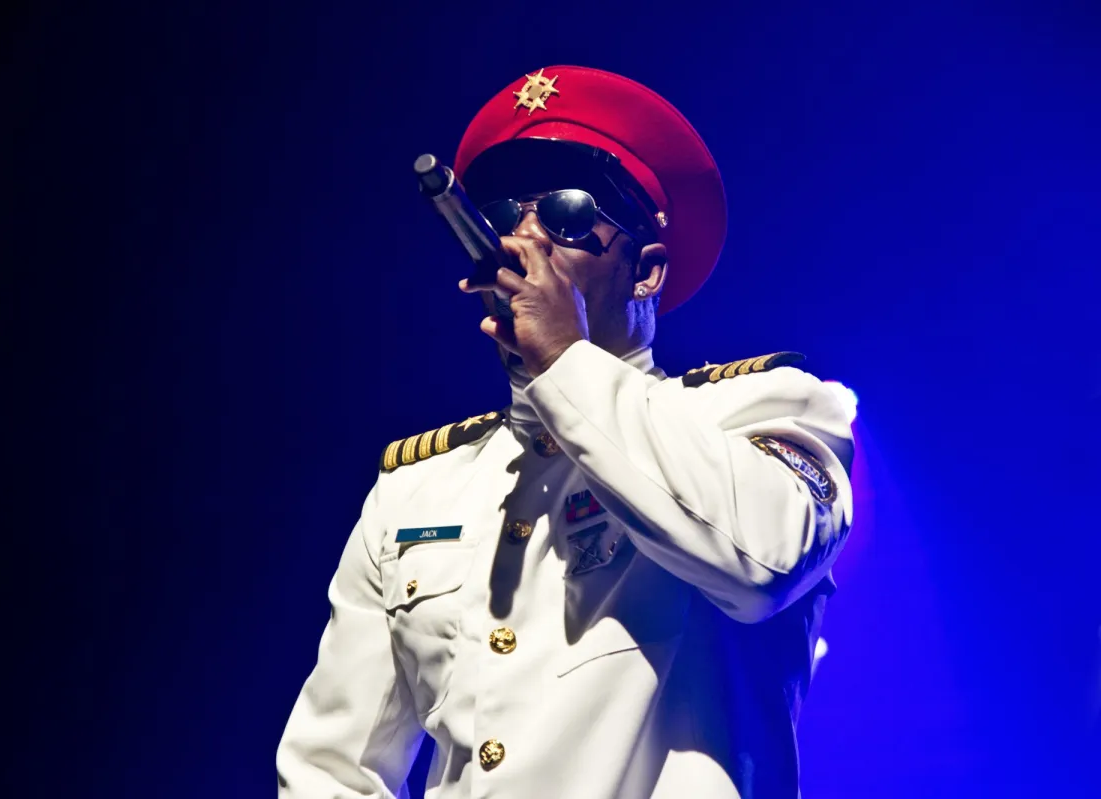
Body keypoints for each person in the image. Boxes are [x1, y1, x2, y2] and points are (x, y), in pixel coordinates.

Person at [276, 65, 854, 799]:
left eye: (567, 213)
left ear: (646, 272)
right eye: (500, 214)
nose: (522, 236)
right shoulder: (414, 489)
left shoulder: (765, 409)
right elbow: (331, 767)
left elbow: (761, 562)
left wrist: (565, 360)